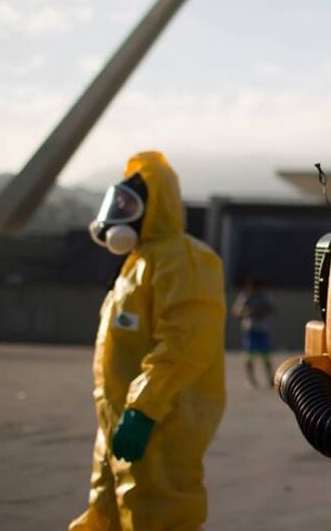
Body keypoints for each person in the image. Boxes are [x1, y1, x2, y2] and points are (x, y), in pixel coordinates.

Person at [70, 151, 227, 531]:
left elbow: (184, 345)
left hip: (163, 421)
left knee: (158, 513)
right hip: (120, 418)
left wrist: (144, 410)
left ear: (154, 207)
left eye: (128, 205)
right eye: (116, 203)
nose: (118, 213)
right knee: (107, 511)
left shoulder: (184, 260)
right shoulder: (138, 262)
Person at [232, 275, 276, 388]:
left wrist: (260, 310)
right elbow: (236, 311)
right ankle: (251, 379)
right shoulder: (245, 296)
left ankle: (270, 378)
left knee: (266, 356)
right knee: (249, 357)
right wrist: (246, 312)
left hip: (262, 329)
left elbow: (271, 309)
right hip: (250, 330)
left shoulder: (264, 296)